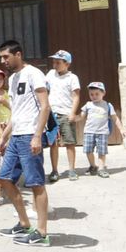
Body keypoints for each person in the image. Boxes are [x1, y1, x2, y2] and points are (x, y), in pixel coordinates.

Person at [0, 41, 53, 246]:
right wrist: (3, 136)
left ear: (18, 54)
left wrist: (38, 135)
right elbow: (16, 112)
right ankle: (23, 223)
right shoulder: (12, 79)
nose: (3, 61)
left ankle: (42, 233)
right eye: (1, 57)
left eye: (6, 57)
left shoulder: (34, 74)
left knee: (36, 183)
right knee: (4, 178)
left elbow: (45, 106)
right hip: (16, 136)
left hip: (30, 134)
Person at [44, 51, 82, 182]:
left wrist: (72, 113)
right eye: (54, 62)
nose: (55, 65)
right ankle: (54, 170)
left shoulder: (72, 78)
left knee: (69, 142)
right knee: (53, 142)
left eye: (58, 62)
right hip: (51, 114)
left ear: (67, 64)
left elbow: (76, 96)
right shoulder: (50, 75)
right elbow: (44, 90)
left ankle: (72, 170)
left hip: (65, 113)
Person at [80, 82, 121, 178]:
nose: (94, 96)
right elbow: (81, 117)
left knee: (101, 152)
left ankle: (101, 168)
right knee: (88, 150)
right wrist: (73, 118)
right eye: (91, 94)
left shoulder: (108, 105)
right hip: (89, 131)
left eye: (97, 94)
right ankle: (93, 166)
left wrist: (121, 129)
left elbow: (115, 118)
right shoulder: (88, 105)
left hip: (102, 132)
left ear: (103, 93)